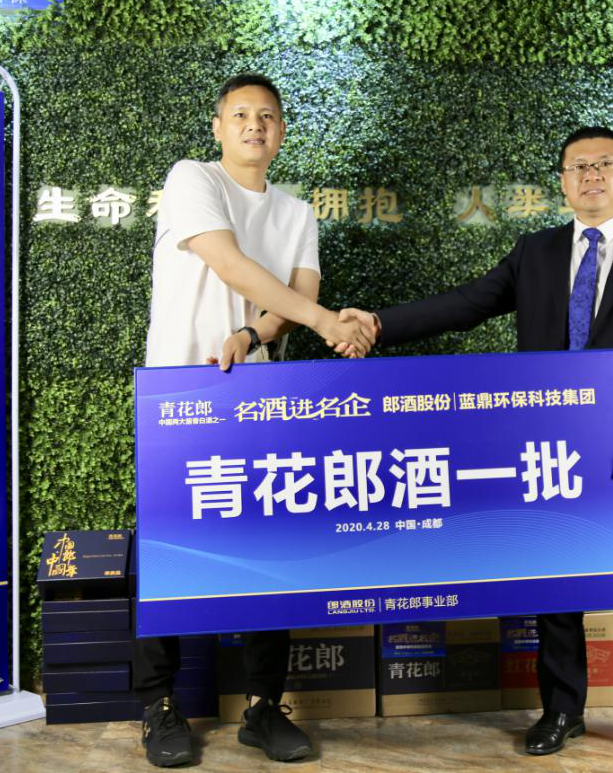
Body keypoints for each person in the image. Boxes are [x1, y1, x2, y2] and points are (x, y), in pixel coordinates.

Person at [338, 126, 613, 765]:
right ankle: (562, 710)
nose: (592, 175)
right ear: (562, 182)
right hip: (550, 452)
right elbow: (468, 303)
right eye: (579, 166)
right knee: (556, 589)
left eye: (604, 164)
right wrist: (380, 324)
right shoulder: (536, 252)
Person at [136, 73, 373, 768]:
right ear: (218, 127)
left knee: (271, 548)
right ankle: (159, 707)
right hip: (181, 392)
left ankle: (264, 706)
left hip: (262, 399)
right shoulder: (192, 179)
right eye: (240, 114)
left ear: (282, 131)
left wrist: (253, 335)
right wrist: (326, 323)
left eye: (267, 116)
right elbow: (230, 263)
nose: (253, 125)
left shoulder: (297, 212)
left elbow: (294, 297)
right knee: (169, 548)